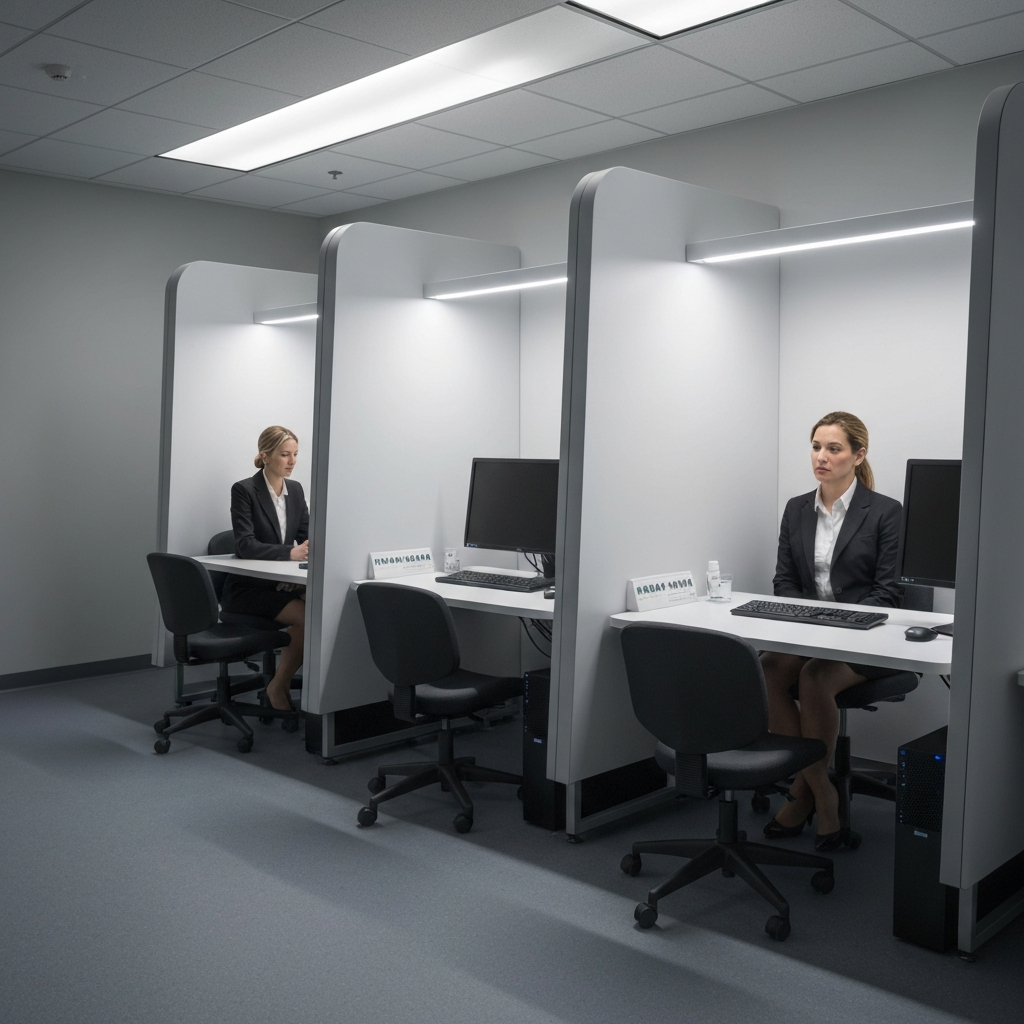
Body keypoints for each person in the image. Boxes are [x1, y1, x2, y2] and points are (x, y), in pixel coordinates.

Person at [761, 411, 902, 852]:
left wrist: (840, 626)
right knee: (768, 668)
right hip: (810, 634)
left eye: (834, 449)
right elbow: (783, 582)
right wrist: (807, 623)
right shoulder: (797, 508)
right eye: (816, 447)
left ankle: (808, 796)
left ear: (858, 456)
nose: (821, 457)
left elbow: (888, 593)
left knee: (816, 677)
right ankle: (820, 789)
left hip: (865, 638)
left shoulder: (885, 512)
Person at [222, 425, 309, 713]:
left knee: (320, 610)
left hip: (280, 585)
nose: (292, 461)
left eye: (295, 454)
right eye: (285, 454)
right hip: (247, 590)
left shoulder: (295, 490)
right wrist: (290, 552)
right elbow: (245, 545)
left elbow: (307, 532)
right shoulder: (244, 490)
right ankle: (278, 685)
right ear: (265, 455)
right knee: (307, 616)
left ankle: (284, 682)